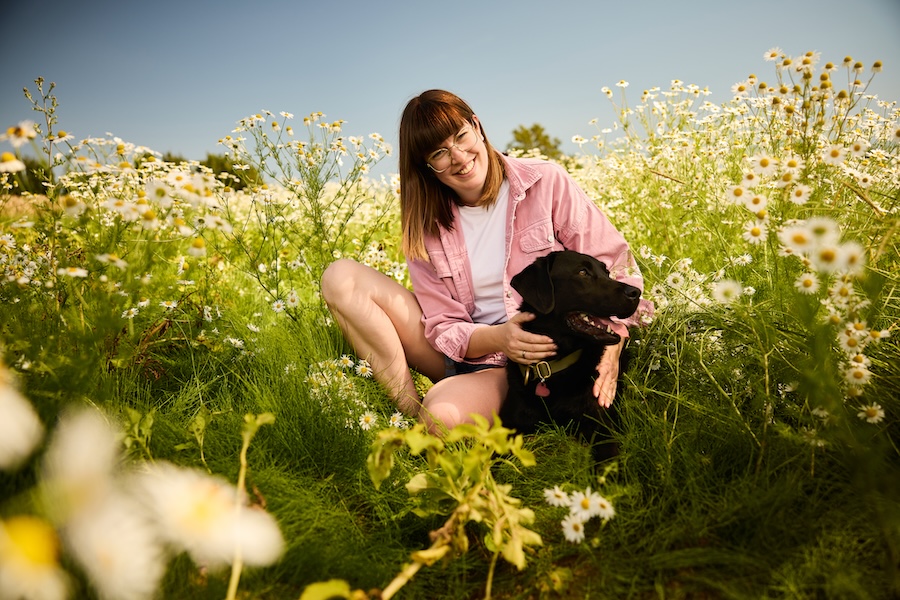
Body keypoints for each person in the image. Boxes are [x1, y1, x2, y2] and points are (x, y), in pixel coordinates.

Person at [321, 89, 653, 434]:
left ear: (477, 126)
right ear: (427, 166)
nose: (459, 157)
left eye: (461, 136)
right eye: (439, 153)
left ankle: (448, 406)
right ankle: (405, 411)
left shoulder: (546, 182)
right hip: (470, 349)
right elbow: (443, 326)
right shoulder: (426, 225)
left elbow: (615, 268)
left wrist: (611, 343)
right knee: (340, 277)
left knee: (440, 420)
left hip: (522, 362)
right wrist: (498, 338)